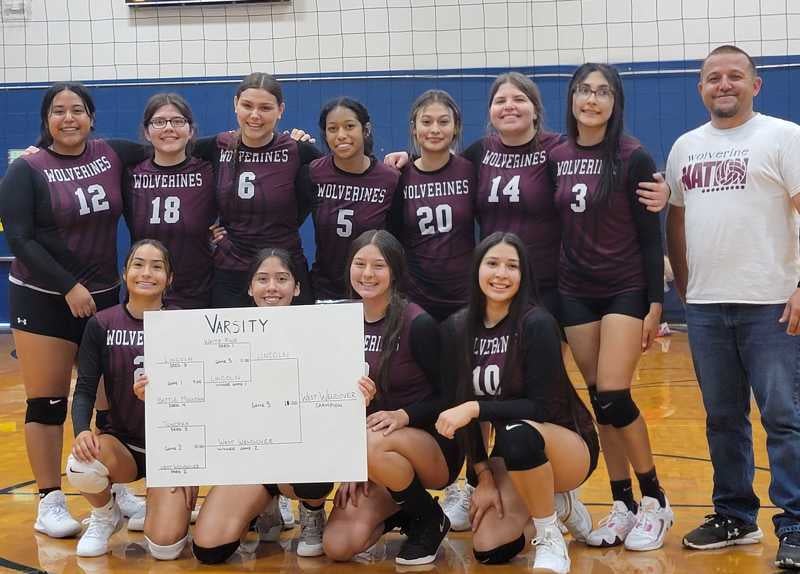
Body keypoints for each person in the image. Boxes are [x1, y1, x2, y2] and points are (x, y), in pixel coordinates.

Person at [666, 44, 800, 569]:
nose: (724, 84)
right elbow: (674, 218)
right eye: (713, 78)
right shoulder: (684, 147)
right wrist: (683, 279)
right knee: (723, 419)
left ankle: (794, 523)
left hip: (770, 303)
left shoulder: (783, 137)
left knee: (783, 418)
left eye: (735, 76)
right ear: (700, 88)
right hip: (705, 304)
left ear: (755, 85)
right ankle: (734, 516)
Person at [0, 82, 147, 537]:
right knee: (47, 401)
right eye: (59, 111)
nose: (69, 118)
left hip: (102, 296)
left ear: (91, 117)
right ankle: (50, 500)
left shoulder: (112, 154)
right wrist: (68, 286)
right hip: (44, 297)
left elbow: (176, 143)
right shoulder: (26, 169)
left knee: (108, 402)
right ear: (46, 118)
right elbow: (19, 237)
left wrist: (285, 142)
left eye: (78, 110)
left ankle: (112, 485)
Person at [550, 63, 672, 551]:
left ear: (615, 101)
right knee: (599, 396)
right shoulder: (555, 153)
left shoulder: (633, 156)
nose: (592, 99)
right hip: (574, 289)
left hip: (625, 287)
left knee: (616, 396)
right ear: (573, 98)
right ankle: (620, 504)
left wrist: (656, 303)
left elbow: (650, 236)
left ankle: (655, 500)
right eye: (584, 90)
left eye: (603, 92)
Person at [190, 247, 375, 564]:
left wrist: (357, 399)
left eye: (281, 279)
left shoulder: (324, 333)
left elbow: (334, 407)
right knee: (208, 549)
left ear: (297, 287)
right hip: (251, 458)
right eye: (262, 279)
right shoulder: (223, 337)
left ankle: (312, 511)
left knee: (312, 477)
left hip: (301, 460)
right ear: (250, 287)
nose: (271, 287)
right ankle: (266, 507)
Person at [436, 232, 599, 574]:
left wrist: (476, 408)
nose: (501, 274)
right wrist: (482, 478)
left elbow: (539, 408)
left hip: (565, 443)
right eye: (492, 263)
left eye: (512, 266)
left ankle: (549, 533)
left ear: (523, 276)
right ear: (477, 269)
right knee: (489, 549)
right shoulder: (456, 329)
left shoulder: (536, 323)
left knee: (516, 432)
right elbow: (464, 415)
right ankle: (559, 505)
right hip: (512, 450)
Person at [322, 230, 463, 565]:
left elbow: (451, 398)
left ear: (395, 272)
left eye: (378, 266)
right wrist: (352, 468)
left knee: (371, 442)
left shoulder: (419, 323)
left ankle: (429, 516)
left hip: (430, 444)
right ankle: (403, 510)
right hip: (376, 451)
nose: (367, 274)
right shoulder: (339, 323)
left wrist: (405, 415)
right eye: (359, 264)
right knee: (338, 546)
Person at [66, 239, 195, 559]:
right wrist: (82, 429)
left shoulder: (185, 323)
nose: (146, 272)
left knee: (165, 548)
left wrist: (168, 392)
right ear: (125, 273)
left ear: (170, 278)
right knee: (81, 465)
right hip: (125, 445)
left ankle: (164, 503)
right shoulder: (102, 324)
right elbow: (83, 389)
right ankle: (105, 515)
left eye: (157, 266)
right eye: (138, 264)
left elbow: (202, 389)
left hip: (175, 449)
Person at [193, 72, 322, 308]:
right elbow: (165, 160)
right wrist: (202, 225)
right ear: (235, 105)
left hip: (285, 270)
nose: (255, 115)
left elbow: (345, 169)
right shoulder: (217, 146)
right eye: (247, 105)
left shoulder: (297, 150)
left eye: (265, 107)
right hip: (232, 270)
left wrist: (409, 158)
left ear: (280, 110)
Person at [300, 97, 401, 300]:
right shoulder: (312, 173)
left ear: (366, 129)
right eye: (333, 129)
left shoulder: (390, 179)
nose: (341, 135)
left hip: (373, 289)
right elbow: (283, 218)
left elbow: (400, 240)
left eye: (349, 126)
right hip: (326, 290)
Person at [124, 93, 217, 309]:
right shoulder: (130, 176)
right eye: (158, 122)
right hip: (145, 294)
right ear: (147, 132)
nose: (168, 128)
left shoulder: (209, 172)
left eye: (178, 121)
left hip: (198, 294)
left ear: (190, 130)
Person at [393, 89, 476, 322]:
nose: (435, 130)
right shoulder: (400, 176)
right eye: (426, 122)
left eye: (443, 122)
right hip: (417, 297)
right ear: (414, 128)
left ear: (456, 126)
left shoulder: (471, 170)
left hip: (465, 296)